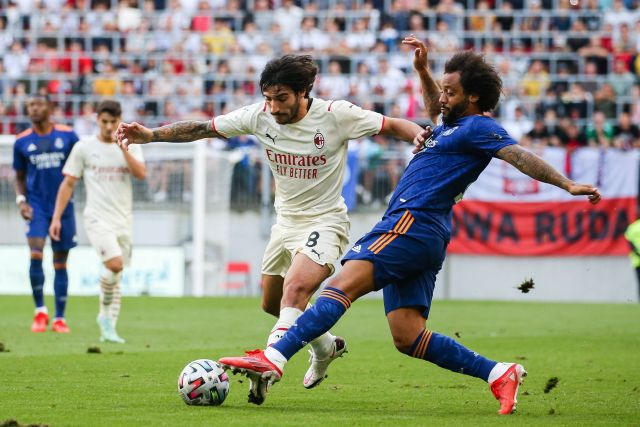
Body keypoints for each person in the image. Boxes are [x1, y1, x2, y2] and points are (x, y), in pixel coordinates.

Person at [217, 38, 602, 415]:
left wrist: (566, 184)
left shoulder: (478, 128)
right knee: (408, 336)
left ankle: (274, 357)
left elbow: (518, 155)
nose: (441, 98)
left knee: (337, 288)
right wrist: (422, 71)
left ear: (471, 99)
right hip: (427, 234)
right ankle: (499, 373)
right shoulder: (450, 125)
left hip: (411, 223)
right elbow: (435, 105)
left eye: (450, 92)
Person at [116, 54, 425, 404]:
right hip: (285, 223)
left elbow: (393, 124)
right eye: (269, 98)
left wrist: (420, 138)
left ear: (303, 92)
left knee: (296, 289)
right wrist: (152, 135)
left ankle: (268, 362)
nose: (274, 107)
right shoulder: (258, 116)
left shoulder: (336, 115)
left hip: (325, 221)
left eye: (282, 98)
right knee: (273, 303)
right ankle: (326, 346)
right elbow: (203, 128)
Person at [50, 100, 146, 343]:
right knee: (114, 265)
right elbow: (68, 183)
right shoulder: (84, 148)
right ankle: (103, 317)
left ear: (119, 120)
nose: (108, 126)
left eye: (113, 122)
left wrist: (123, 148)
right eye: (104, 122)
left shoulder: (131, 144)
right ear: (97, 120)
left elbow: (141, 174)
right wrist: (56, 217)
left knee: (118, 272)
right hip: (97, 218)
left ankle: (109, 328)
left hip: (123, 219)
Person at [12, 94, 79, 333]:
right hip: (36, 206)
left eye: (38, 104)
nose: (34, 109)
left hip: (63, 206)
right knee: (36, 253)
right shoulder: (21, 142)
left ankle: (59, 318)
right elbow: (19, 176)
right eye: (30, 105)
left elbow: (79, 168)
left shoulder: (68, 136)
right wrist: (21, 201)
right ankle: (40, 311)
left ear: (50, 108)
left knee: (60, 262)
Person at [624, 218, 640, 300]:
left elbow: (630, 244)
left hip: (637, 260)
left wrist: (637, 253)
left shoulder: (632, 227)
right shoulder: (633, 227)